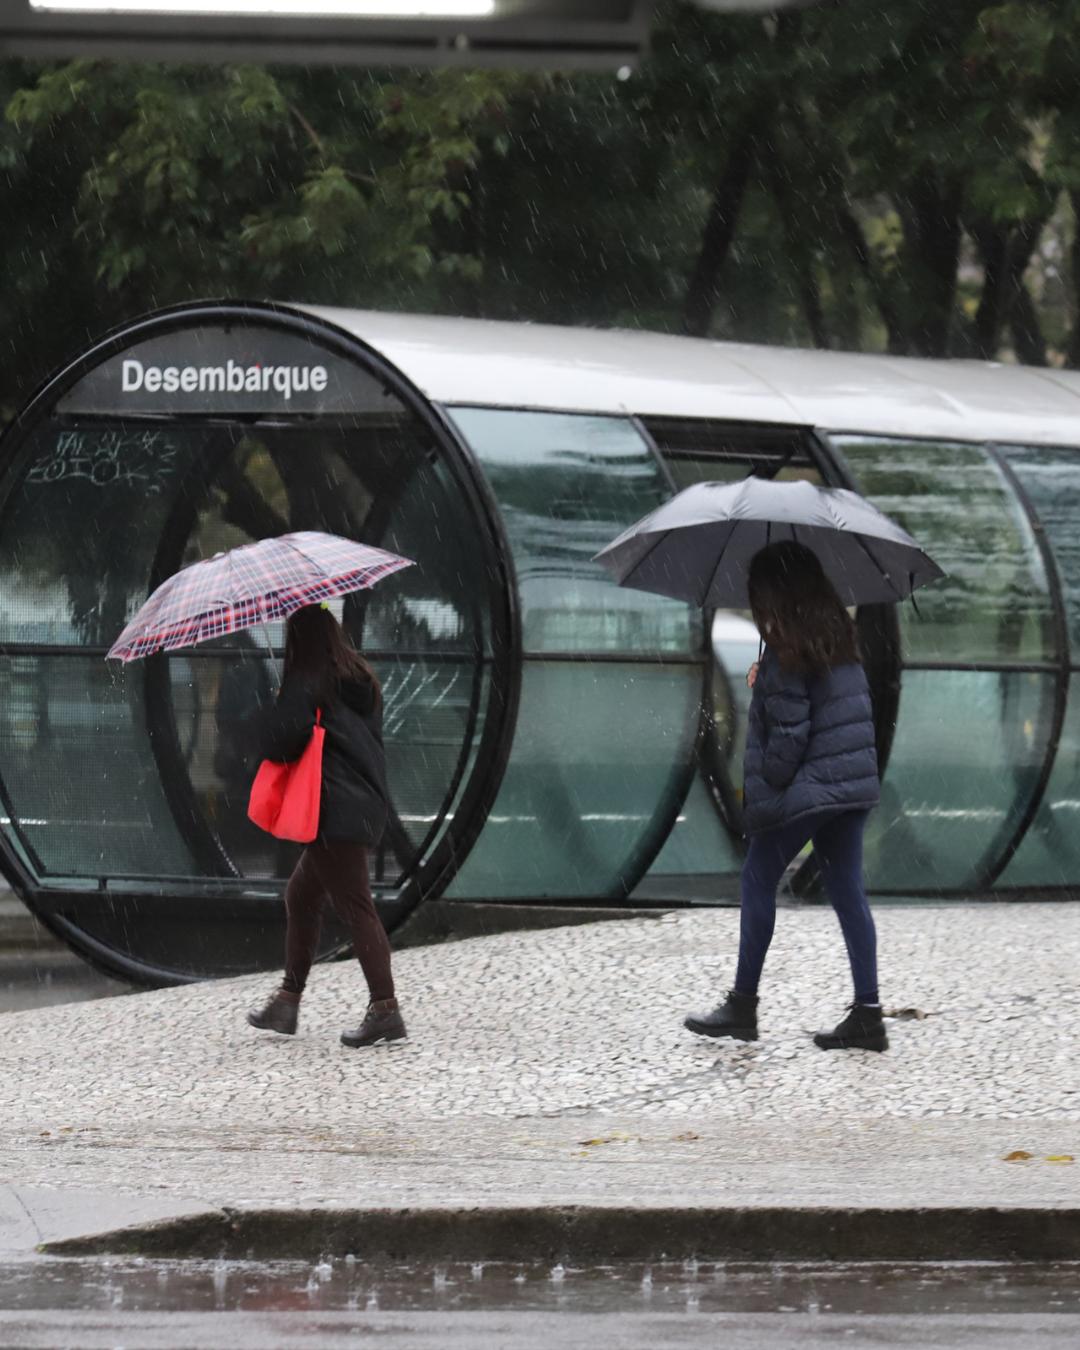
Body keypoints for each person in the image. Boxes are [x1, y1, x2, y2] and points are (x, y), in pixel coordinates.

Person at [684, 540, 886, 1052]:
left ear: (773, 597)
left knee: (757, 876)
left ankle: (742, 1006)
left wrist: (769, 784)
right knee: (846, 890)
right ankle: (868, 1014)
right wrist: (768, 678)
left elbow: (791, 736)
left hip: (812, 786)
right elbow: (826, 705)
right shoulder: (836, 636)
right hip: (850, 783)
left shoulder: (787, 649)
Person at [246, 603, 405, 1048]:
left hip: (331, 808)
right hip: (363, 804)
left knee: (356, 907)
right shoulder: (360, 678)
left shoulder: (309, 680)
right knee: (301, 895)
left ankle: (385, 1009)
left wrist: (273, 708)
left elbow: (279, 744)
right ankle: (287, 1001)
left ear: (299, 641)